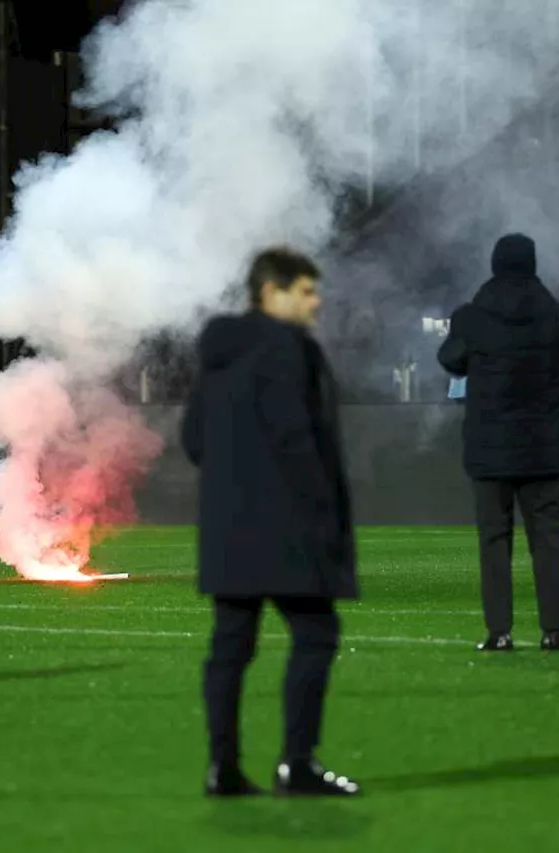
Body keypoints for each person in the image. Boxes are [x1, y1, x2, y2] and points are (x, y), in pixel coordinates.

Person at [182, 247, 360, 798]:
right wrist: (322, 513)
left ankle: (222, 768)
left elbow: (193, 440)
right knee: (316, 632)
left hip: (229, 527)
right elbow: (295, 437)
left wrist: (236, 481)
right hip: (287, 527)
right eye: (305, 290)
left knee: (231, 646)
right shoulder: (289, 348)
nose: (316, 300)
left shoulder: (219, 353)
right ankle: (297, 763)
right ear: (271, 292)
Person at [437, 233, 559, 653]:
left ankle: (499, 633)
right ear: (533, 265)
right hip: (542, 447)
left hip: (489, 448)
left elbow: (449, 359)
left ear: (494, 266)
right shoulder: (555, 314)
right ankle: (552, 631)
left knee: (493, 541)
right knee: (546, 540)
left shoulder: (471, 317)